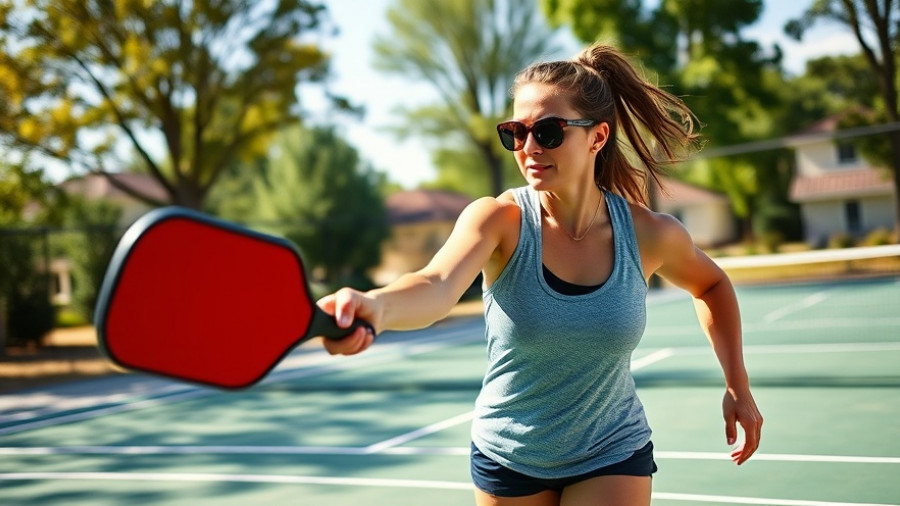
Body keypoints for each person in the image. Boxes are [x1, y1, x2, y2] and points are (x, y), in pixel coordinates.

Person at [316, 43, 763, 506]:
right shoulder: (498, 221)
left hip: (612, 447)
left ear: (597, 137)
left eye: (548, 131)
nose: (528, 148)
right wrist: (377, 306)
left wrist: (738, 385)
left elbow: (711, 284)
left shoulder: (649, 234)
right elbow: (436, 283)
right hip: (510, 455)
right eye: (515, 132)